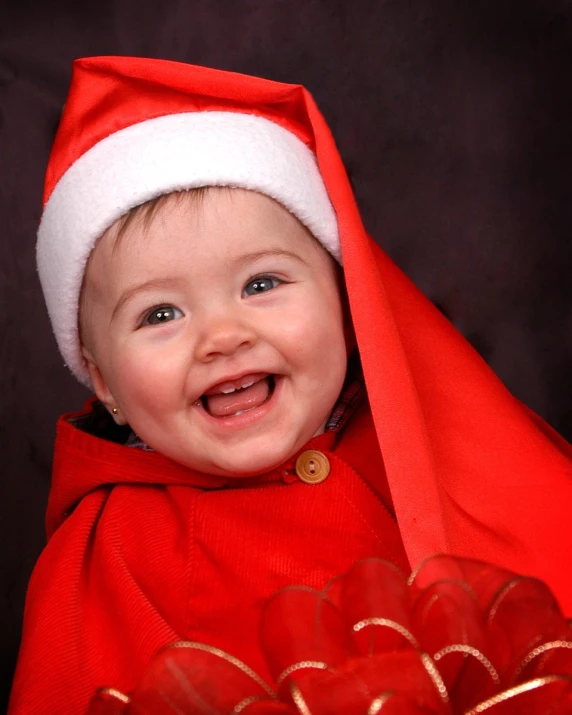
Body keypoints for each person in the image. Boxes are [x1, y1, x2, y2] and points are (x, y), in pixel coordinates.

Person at [9, 56, 572, 714]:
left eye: (261, 283)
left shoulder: (432, 439)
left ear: (345, 294)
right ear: (102, 378)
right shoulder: (111, 555)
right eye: (160, 314)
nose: (222, 335)